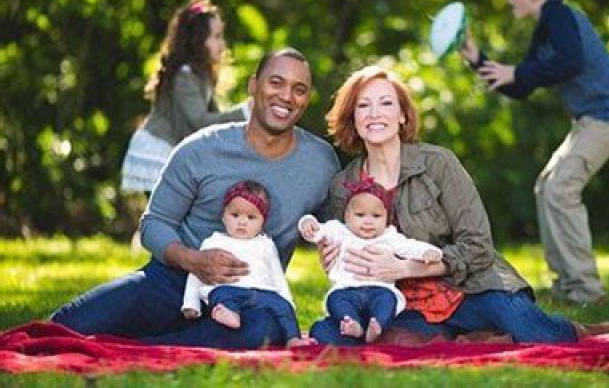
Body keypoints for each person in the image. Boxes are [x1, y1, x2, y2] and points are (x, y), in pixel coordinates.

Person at [309, 65, 609, 346]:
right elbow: (345, 249)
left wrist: (406, 267)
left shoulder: (439, 163)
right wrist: (332, 257)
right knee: (350, 338)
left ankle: (580, 330)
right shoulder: (344, 184)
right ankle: (478, 338)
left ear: (403, 115)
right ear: (352, 117)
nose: (374, 113)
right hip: (403, 303)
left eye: (386, 103)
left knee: (532, 330)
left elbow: (478, 246)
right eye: (363, 105)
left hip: (472, 287)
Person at [51, 48, 340, 349]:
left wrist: (331, 242)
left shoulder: (320, 162)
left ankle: (141, 349)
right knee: (65, 325)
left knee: (263, 333)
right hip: (172, 281)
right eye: (276, 82)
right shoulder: (201, 149)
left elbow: (337, 227)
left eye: (299, 89)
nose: (286, 96)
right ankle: (163, 344)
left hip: (249, 299)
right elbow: (154, 223)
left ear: (307, 99)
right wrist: (193, 261)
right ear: (253, 85)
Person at [458, 0, 609, 305]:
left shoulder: (560, 15)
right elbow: (521, 87)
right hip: (589, 119)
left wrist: (517, 72)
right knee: (547, 187)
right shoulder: (545, 28)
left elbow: (570, 62)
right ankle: (566, 286)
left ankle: (586, 290)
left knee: (560, 188)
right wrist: (477, 60)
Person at [121, 0, 250, 196]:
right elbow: (199, 122)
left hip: (172, 154)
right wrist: (245, 111)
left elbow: (215, 121)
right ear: (198, 40)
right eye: (216, 37)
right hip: (157, 152)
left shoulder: (201, 75)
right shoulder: (184, 76)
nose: (222, 44)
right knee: (168, 212)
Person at [299, 177, 442, 343]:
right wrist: (307, 222)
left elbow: (409, 246)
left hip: (379, 289)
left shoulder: (389, 236)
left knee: (387, 300)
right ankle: (352, 323)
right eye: (360, 215)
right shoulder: (339, 231)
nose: (368, 221)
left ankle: (377, 325)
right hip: (347, 290)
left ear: (387, 218)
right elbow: (318, 231)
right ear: (347, 216)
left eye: (376, 216)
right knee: (335, 300)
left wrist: (428, 252)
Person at [182, 180, 312, 348]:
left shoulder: (266, 244)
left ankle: (293, 338)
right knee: (219, 293)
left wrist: (287, 302)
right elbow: (196, 274)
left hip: (263, 293)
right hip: (229, 291)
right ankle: (230, 315)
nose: (242, 222)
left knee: (282, 307)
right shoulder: (213, 242)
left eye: (251, 217)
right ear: (223, 216)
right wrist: (190, 303)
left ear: (262, 221)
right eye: (235, 215)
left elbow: (277, 275)